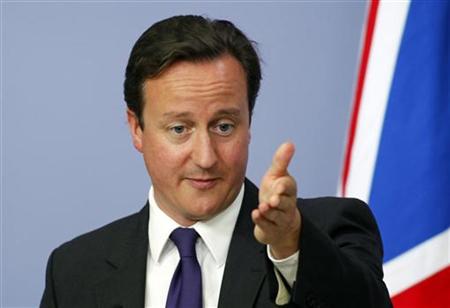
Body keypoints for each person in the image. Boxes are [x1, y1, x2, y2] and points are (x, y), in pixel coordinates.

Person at [40, 15, 392, 308]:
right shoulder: (74, 271)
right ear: (136, 128)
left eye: (224, 126)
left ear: (248, 123)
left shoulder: (324, 231)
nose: (206, 157)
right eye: (180, 128)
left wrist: (289, 245)